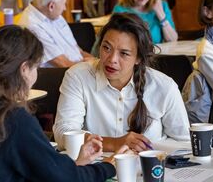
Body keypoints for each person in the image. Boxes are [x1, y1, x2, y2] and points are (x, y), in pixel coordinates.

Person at [0, 25, 131, 181]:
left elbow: (41, 167)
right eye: (36, 67)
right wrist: (109, 166)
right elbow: (62, 178)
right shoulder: (12, 118)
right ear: (24, 69)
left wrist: (74, 163)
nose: (36, 74)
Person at [53, 13, 190, 152]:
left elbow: (184, 143)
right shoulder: (78, 76)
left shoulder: (164, 87)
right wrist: (114, 144)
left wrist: (153, 153)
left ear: (139, 59)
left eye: (124, 53)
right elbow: (63, 133)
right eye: (106, 48)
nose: (112, 59)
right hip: (94, 169)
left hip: (149, 169)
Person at [18, 0, 93, 67]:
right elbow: (64, 64)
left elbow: (78, 50)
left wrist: (95, 61)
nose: (64, 8)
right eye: (63, 4)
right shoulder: (31, 26)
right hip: (62, 75)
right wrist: (91, 66)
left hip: (80, 68)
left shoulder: (54, 15)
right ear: (51, 6)